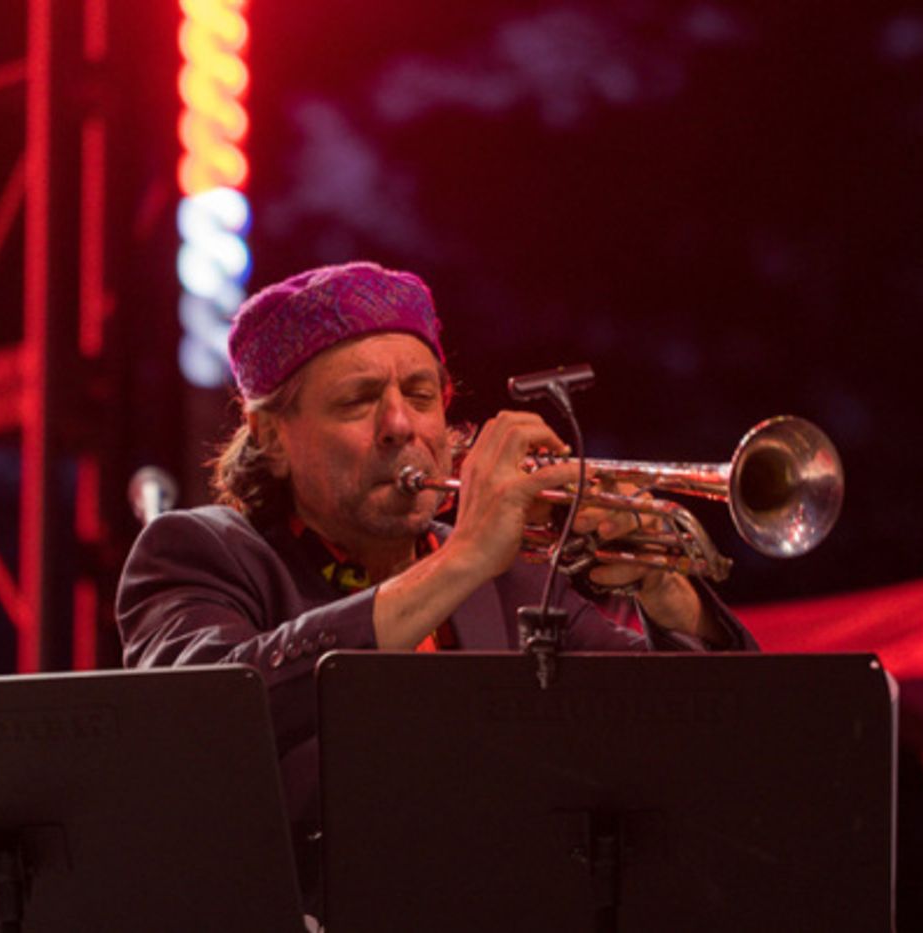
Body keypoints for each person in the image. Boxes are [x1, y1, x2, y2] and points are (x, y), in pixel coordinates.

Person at [115, 260, 757, 908]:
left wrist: (668, 598)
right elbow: (201, 716)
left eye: (421, 395)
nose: (401, 426)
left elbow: (695, 743)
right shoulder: (202, 551)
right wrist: (466, 556)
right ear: (271, 437)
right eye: (358, 401)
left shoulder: (518, 577)